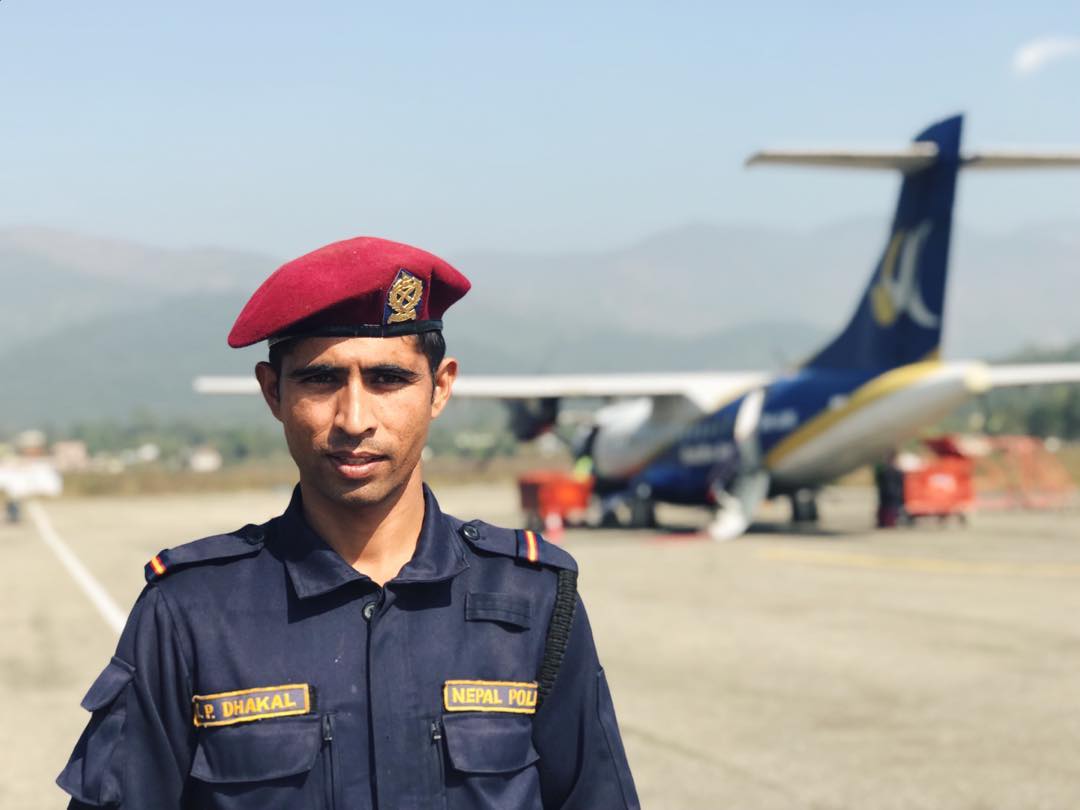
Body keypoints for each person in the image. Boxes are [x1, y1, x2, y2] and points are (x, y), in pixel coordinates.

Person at [57, 237, 640, 809]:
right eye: (320, 379)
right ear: (272, 392)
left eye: (388, 379)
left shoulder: (532, 600)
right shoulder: (190, 613)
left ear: (440, 388)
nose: (355, 418)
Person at [874, 449, 906, 528]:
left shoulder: (887, 470)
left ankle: (887, 522)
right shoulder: (889, 471)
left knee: (890, 508)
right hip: (890, 493)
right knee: (889, 508)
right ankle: (887, 522)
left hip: (890, 493)